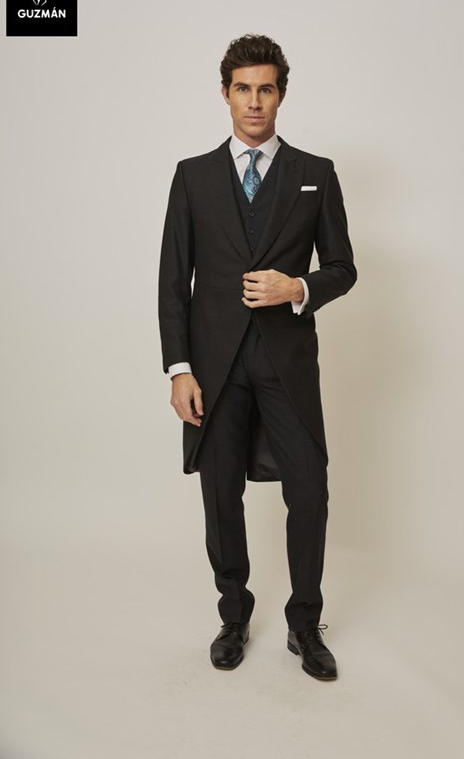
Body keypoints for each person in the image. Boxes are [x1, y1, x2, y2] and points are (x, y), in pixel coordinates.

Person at [158, 34, 356, 681]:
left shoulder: (315, 173)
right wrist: (179, 368)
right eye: (242, 88)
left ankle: (304, 624)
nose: (253, 101)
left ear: (280, 95)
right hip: (213, 367)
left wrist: (295, 287)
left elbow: (342, 267)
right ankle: (233, 615)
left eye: (265, 88)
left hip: (285, 362)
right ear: (225, 93)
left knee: (310, 490)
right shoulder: (192, 176)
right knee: (221, 495)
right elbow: (173, 281)